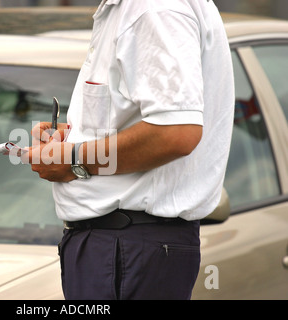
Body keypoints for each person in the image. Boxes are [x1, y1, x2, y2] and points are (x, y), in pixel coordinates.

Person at [21, 0, 234, 300]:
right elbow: (151, 120)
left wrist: (72, 160)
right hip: (124, 246)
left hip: (126, 248)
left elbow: (176, 133)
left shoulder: (153, 8)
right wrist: (74, 140)